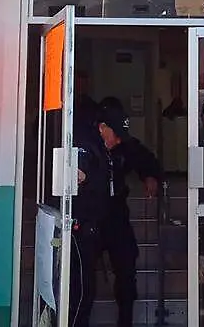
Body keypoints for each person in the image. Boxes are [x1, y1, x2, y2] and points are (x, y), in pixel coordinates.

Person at [68, 99, 162, 327]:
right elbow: (74, 175)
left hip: (114, 215)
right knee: (82, 285)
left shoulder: (121, 145)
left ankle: (125, 321)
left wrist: (150, 175)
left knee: (126, 268)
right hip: (88, 219)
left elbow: (144, 157)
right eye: (115, 134)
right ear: (102, 128)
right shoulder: (85, 145)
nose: (118, 139)